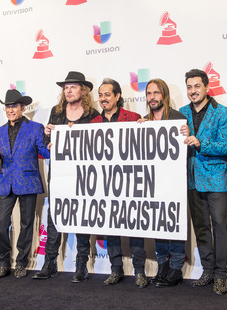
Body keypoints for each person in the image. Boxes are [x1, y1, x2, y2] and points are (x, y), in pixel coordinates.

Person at [32, 71, 99, 283]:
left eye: (73, 87)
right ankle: (49, 264)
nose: (68, 90)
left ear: (83, 90)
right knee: (54, 217)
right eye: (66, 87)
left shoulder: (92, 114)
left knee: (81, 218)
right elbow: (45, 143)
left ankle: (81, 266)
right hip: (59, 173)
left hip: (83, 175)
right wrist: (49, 135)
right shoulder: (57, 112)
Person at [90, 78, 148, 288]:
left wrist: (146, 127)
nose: (103, 99)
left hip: (130, 183)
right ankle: (116, 270)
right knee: (110, 228)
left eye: (108, 94)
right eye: (101, 95)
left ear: (117, 96)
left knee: (134, 228)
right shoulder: (93, 124)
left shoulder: (133, 118)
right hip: (105, 185)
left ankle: (140, 272)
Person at [179, 69, 227, 295]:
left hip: (216, 180)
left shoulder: (222, 112)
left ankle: (221, 275)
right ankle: (207, 270)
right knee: (201, 228)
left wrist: (200, 143)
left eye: (197, 86)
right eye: (189, 87)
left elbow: (226, 146)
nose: (193, 91)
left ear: (206, 87)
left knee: (219, 228)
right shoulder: (181, 113)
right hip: (191, 180)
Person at [0, 89, 50, 279]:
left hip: (28, 181)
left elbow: (44, 152)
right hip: (6, 182)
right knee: (1, 222)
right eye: (8, 107)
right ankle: (4, 262)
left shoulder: (36, 128)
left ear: (22, 108)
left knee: (26, 223)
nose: (11, 110)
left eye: (14, 106)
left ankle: (22, 262)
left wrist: (52, 145)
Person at [140, 78, 187, 288]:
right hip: (152, 184)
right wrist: (137, 132)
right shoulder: (143, 121)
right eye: (149, 93)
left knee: (173, 224)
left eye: (156, 93)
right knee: (158, 225)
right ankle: (162, 267)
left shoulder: (178, 119)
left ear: (164, 95)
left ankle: (176, 269)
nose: (152, 97)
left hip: (174, 183)